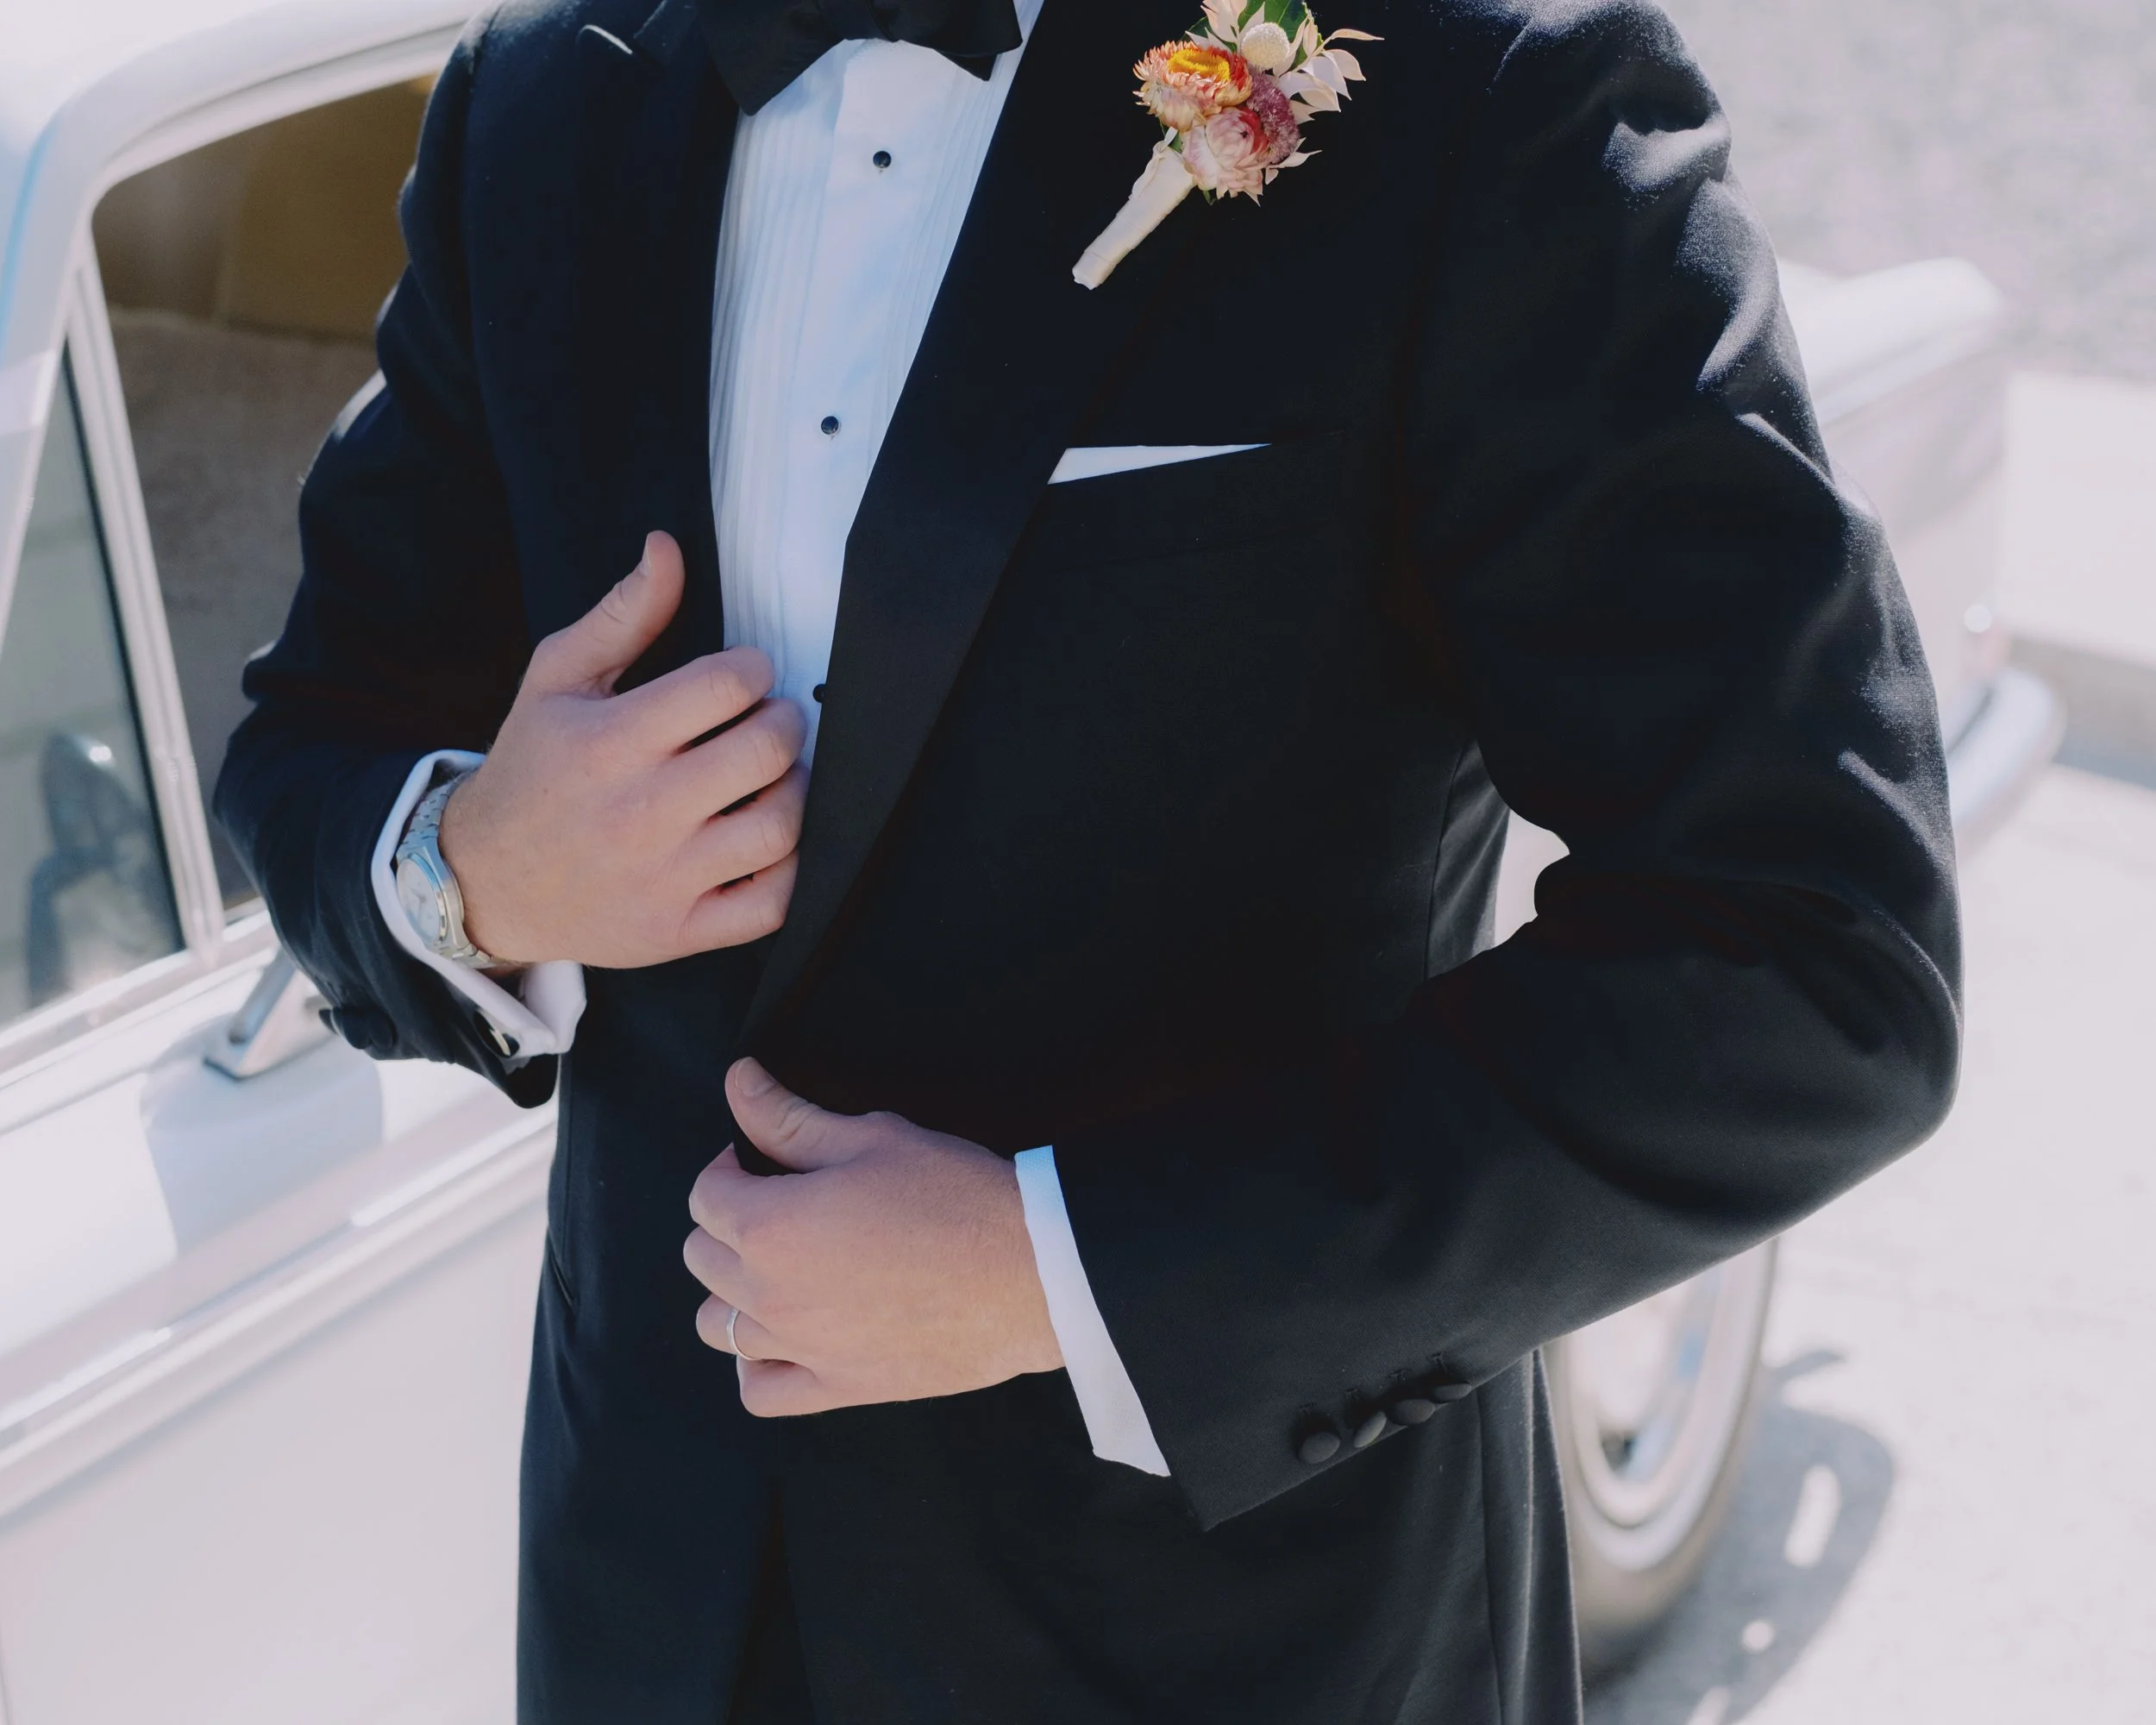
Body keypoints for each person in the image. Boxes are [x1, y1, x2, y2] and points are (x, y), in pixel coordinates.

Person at [215, 0, 1962, 1716]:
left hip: (1245, 1640)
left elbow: (1812, 949)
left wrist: (1068, 1274)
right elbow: (314, 734)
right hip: (651, 1613)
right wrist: (473, 871)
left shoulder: (1482, 83)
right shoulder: (540, 96)